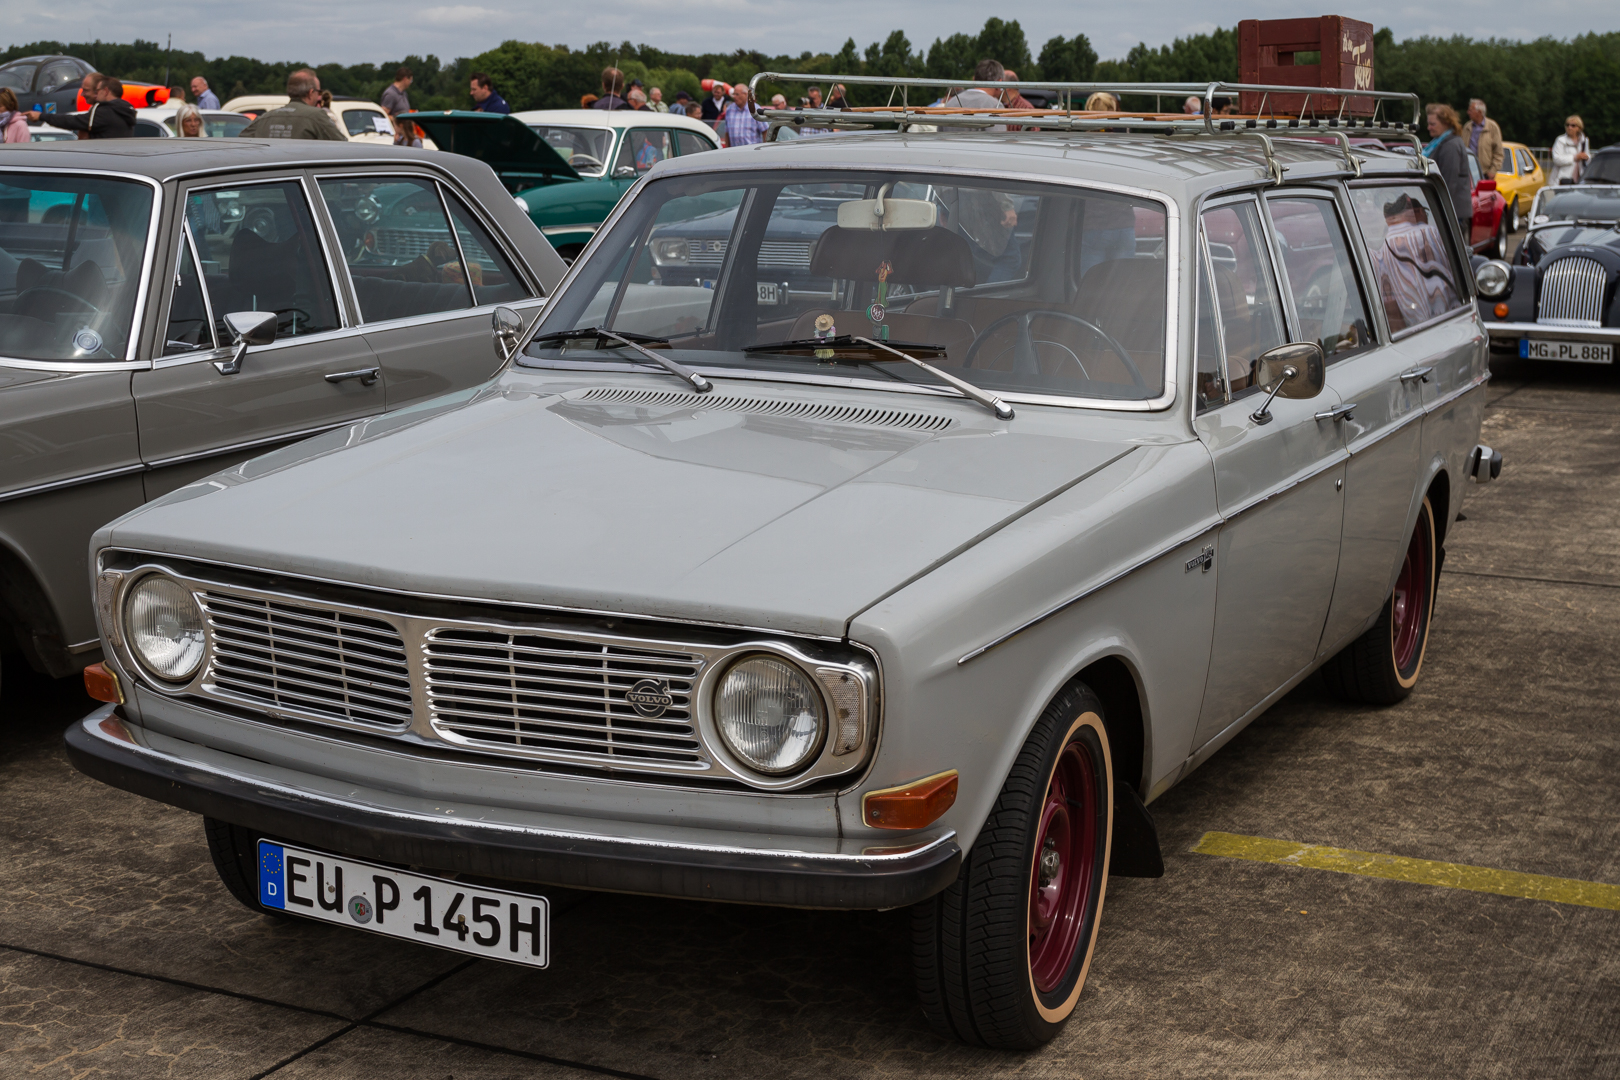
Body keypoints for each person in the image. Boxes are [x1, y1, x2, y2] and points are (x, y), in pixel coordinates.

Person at [239, 70, 345, 140]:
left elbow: (241, 142)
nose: (319, 96)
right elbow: (342, 145)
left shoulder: (265, 118)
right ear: (310, 93)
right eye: (319, 92)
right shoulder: (317, 116)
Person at [28, 75, 135, 139]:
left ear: (106, 91)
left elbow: (72, 121)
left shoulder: (105, 112)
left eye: (97, 91)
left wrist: (42, 116)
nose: (96, 95)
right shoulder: (125, 111)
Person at [1424, 103, 1471, 236]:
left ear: (1445, 123)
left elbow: (1447, 183)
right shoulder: (1442, 142)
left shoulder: (1450, 146)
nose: (1429, 128)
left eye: (1432, 124)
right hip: (1451, 212)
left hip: (1451, 214)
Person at [942, 60, 1009, 131]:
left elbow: (940, 136)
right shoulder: (995, 106)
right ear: (999, 82)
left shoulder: (951, 103)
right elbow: (998, 138)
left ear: (974, 79)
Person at [1466, 99, 1503, 179]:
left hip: (1485, 173)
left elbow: (1499, 152)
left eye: (1470, 110)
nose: (1468, 112)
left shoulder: (1492, 127)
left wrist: (1493, 171)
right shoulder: (1467, 127)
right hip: (1468, 173)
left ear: (1479, 112)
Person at [722, 82, 768, 147]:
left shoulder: (755, 109)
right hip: (734, 153)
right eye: (733, 94)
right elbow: (727, 133)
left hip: (752, 152)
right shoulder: (729, 110)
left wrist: (764, 149)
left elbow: (765, 131)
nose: (734, 97)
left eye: (737, 94)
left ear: (745, 95)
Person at [1551, 115, 1590, 185]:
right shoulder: (1561, 140)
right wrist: (1574, 157)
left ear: (1579, 128)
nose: (1569, 127)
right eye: (1567, 125)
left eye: (1573, 125)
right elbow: (1556, 159)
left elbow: (1588, 156)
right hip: (1563, 179)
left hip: (1580, 179)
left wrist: (1586, 157)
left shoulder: (1584, 141)